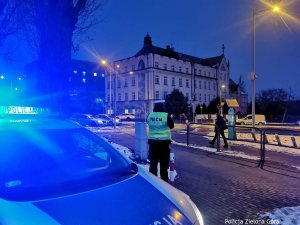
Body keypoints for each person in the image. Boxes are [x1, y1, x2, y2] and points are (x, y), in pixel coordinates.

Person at [147, 103, 174, 182]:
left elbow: (148, 122)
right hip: (164, 144)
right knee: (163, 164)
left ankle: (153, 181)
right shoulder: (166, 115)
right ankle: (164, 182)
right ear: (163, 108)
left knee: (153, 163)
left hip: (152, 143)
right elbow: (172, 126)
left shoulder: (150, 115)